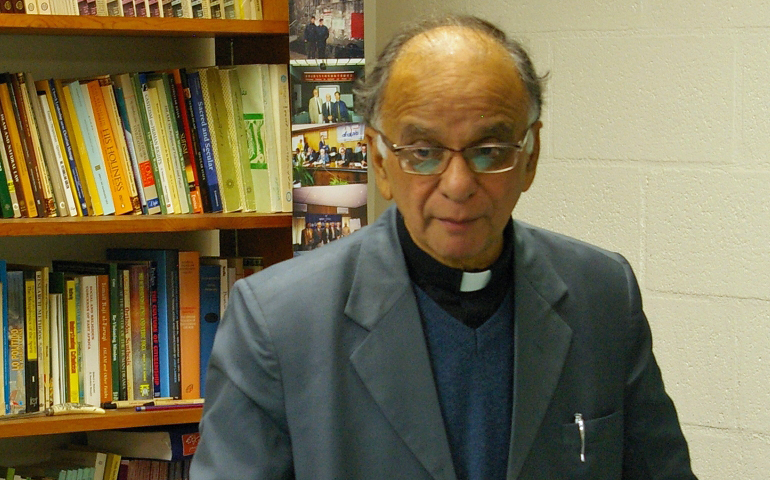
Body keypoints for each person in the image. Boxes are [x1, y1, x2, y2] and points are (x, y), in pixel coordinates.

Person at [191, 14, 698, 480]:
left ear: (530, 155)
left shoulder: (603, 296)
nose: (458, 184)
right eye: (424, 152)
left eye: (489, 151)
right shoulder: (278, 323)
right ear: (381, 162)